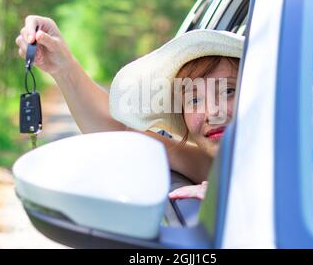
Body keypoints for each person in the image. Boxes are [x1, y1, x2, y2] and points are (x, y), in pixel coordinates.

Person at [15, 15, 243, 200]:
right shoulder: (209, 163)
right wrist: (62, 67)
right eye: (194, 100)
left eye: (228, 91)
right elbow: (121, 132)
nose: (213, 112)